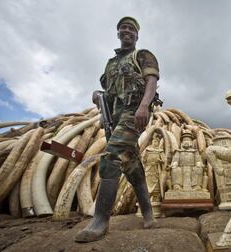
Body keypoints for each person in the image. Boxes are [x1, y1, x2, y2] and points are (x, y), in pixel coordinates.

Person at [75, 16, 160, 243]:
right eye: (123, 28)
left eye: (131, 28)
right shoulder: (111, 64)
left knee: (111, 156)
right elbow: (109, 93)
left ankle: (100, 221)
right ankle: (149, 215)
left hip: (135, 113)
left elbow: (151, 82)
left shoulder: (142, 56)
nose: (127, 31)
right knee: (132, 165)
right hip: (116, 116)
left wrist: (143, 106)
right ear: (118, 33)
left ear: (136, 34)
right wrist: (97, 95)